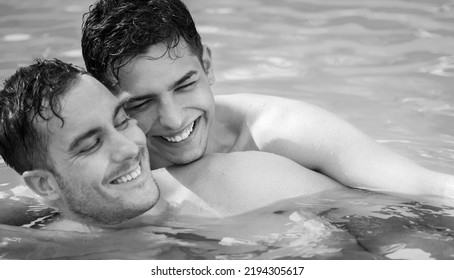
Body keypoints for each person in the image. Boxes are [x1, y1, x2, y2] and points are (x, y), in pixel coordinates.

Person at [81, 0, 454, 203]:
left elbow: (429, 189)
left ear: (207, 66)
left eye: (184, 85)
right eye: (141, 103)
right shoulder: (95, 159)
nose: (175, 119)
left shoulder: (282, 131)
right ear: (106, 101)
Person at [0, 58, 345, 232]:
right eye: (91, 145)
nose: (129, 148)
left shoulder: (239, 186)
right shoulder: (38, 245)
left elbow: (386, 220)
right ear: (44, 185)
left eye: (123, 120)